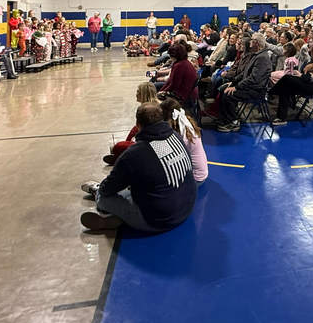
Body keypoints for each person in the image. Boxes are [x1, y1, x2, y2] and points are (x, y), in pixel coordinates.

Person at [81, 102, 197, 233]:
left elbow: (107, 189)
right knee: (139, 185)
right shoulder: (176, 137)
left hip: (158, 220)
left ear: (138, 125)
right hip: (186, 208)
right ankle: (122, 218)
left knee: (103, 199)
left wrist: (102, 190)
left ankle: (113, 210)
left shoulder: (135, 153)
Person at [214, 32, 273, 132]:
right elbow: (244, 73)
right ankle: (225, 118)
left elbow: (253, 79)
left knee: (229, 95)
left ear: (256, 43)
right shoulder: (255, 55)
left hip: (256, 90)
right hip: (250, 87)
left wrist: (236, 87)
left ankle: (234, 122)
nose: (249, 42)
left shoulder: (262, 58)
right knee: (224, 88)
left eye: (251, 41)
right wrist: (233, 83)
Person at [270, 37, 313, 125]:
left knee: (287, 79)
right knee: (285, 86)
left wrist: (301, 75)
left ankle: (271, 93)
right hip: (312, 84)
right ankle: (281, 117)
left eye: (310, 42)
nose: (308, 44)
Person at [161, 98, 208, 186]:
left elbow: (173, 159)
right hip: (200, 173)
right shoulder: (185, 123)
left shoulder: (180, 134)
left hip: (195, 178)